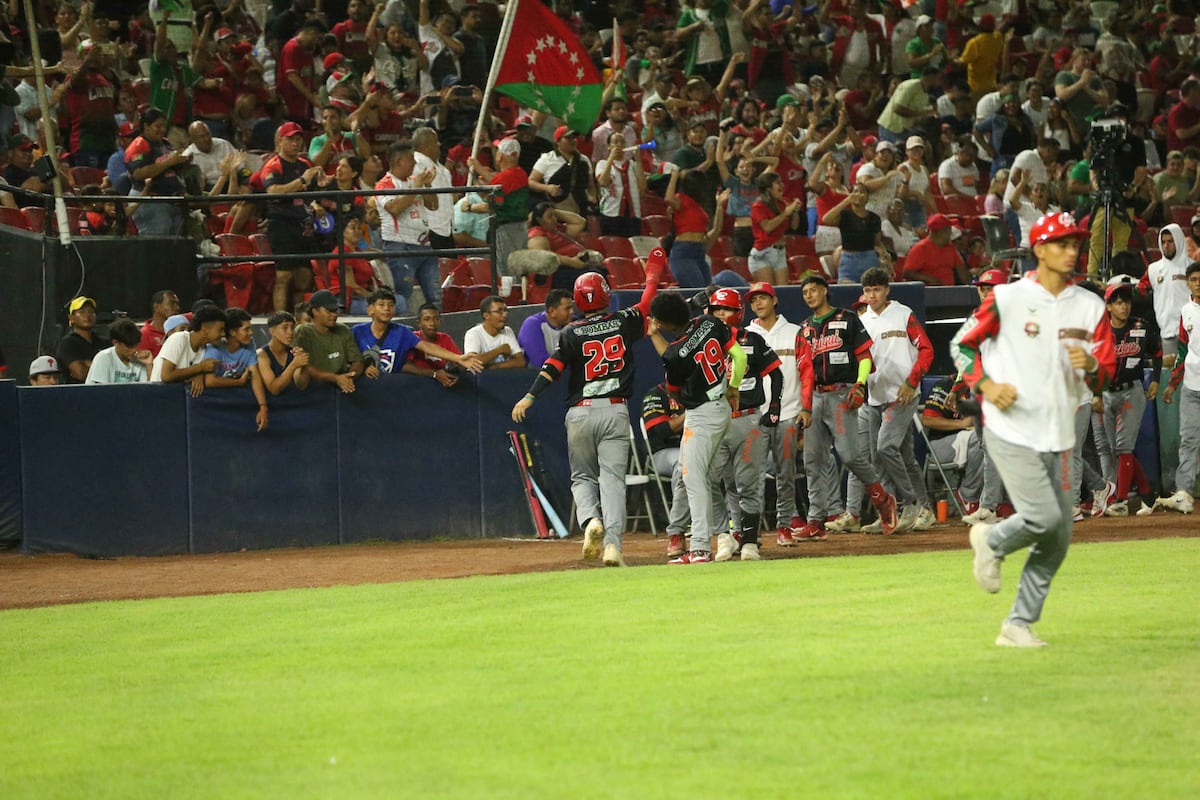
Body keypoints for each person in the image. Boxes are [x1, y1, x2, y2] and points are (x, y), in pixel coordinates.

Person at [953, 211, 1115, 647]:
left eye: (1075, 243)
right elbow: (960, 344)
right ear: (1039, 250)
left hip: (1061, 432)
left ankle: (1017, 625)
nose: (1071, 251)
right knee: (1044, 518)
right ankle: (992, 540)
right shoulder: (1006, 298)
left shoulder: (1091, 306)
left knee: (1059, 537)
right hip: (1011, 429)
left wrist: (1095, 367)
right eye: (1061, 243)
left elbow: (1105, 376)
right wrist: (985, 384)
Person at [511, 249, 666, 566]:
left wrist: (529, 396)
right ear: (606, 296)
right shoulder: (623, 321)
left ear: (579, 301)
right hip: (615, 410)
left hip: (580, 411)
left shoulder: (570, 331)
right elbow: (648, 301)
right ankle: (613, 546)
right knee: (612, 480)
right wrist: (653, 272)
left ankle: (590, 522)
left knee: (582, 478)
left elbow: (551, 368)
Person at [645, 289, 745, 563]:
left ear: (664, 323)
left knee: (693, 477)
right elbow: (741, 357)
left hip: (701, 413)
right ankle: (717, 537)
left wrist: (654, 334)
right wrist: (733, 387)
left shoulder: (675, 353)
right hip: (722, 405)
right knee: (703, 477)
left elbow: (674, 386)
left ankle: (700, 547)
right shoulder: (710, 323)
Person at [796, 275, 900, 539]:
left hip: (842, 393)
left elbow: (865, 356)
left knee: (851, 455)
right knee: (812, 461)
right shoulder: (805, 328)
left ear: (825, 291)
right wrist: (805, 406)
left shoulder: (847, 318)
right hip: (816, 397)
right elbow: (805, 373)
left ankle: (882, 500)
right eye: (805, 292)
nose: (809, 295)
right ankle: (815, 520)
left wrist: (860, 384)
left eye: (814, 290)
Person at [839, 268, 935, 533]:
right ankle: (896, 513)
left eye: (877, 290)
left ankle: (910, 502)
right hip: (874, 396)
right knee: (893, 456)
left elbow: (926, 350)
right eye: (868, 290)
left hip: (903, 395)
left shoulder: (903, 314)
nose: (872, 295)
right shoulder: (862, 320)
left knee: (885, 448)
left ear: (887, 290)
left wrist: (911, 382)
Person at [705, 288, 782, 562]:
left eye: (726, 310)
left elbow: (777, 374)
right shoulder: (703, 341)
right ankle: (724, 537)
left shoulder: (753, 340)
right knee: (711, 480)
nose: (721, 315)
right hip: (715, 419)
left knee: (748, 485)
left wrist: (774, 407)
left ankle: (750, 542)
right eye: (716, 310)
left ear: (738, 312)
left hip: (748, 418)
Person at [745, 281, 806, 544]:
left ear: (775, 300)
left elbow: (806, 372)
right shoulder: (744, 334)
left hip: (789, 411)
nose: (758, 303)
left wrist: (806, 407)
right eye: (753, 300)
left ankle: (784, 526)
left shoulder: (795, 332)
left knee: (786, 474)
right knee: (752, 477)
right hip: (754, 415)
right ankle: (752, 531)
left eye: (763, 298)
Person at [1094, 282, 1159, 517]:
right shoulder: (1100, 332)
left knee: (1123, 447)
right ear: (1109, 306)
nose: (1124, 306)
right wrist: (1095, 394)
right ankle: (1147, 494)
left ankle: (1120, 500)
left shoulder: (1140, 326)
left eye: (1127, 301)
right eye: (1119, 302)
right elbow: (1094, 367)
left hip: (1132, 391)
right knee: (1120, 450)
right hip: (1109, 393)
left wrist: (1155, 380)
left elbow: (1157, 352)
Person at [1139, 224, 1192, 495]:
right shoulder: (1153, 270)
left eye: (1172, 241)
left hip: (1193, 338)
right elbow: (1138, 292)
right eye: (1165, 241)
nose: (1168, 245)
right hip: (1166, 340)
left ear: (1180, 241)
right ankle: (1171, 485)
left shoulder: (1193, 268)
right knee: (1171, 420)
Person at [262, 121, 327, 311]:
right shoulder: (273, 165)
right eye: (291, 139)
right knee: (283, 276)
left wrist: (316, 203)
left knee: (303, 277)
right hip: (281, 225)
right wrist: (301, 180)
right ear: (281, 140)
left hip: (303, 226)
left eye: (298, 139)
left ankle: (300, 320)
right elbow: (272, 191)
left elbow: (311, 194)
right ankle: (280, 318)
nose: (296, 143)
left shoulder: (305, 164)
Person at [353, 287, 481, 377]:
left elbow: (426, 346)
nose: (387, 308)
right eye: (381, 305)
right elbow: (347, 362)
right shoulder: (357, 332)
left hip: (392, 390)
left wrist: (458, 358)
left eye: (391, 305)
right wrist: (362, 369)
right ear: (370, 310)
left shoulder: (402, 332)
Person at [372, 140, 438, 313]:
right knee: (403, 296)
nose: (415, 163)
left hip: (425, 246)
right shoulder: (383, 184)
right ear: (399, 161)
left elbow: (433, 205)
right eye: (411, 159)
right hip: (400, 247)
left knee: (436, 296)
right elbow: (394, 208)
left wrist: (427, 185)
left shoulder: (415, 181)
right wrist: (416, 187)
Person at [1158, 262, 1200, 514]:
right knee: (1188, 440)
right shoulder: (1186, 311)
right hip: (1192, 386)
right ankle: (1183, 492)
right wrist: (1173, 384)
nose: (1198, 283)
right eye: (1193, 279)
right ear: (1187, 283)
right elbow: (1183, 350)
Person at [642, 381, 692, 559]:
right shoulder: (656, 394)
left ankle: (736, 530)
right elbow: (659, 431)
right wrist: (691, 413)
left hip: (698, 447)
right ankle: (677, 531)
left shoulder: (698, 390)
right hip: (664, 453)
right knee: (683, 465)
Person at [469, 138, 530, 278]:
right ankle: (521, 296)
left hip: (506, 229)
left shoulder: (502, 178)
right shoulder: (521, 173)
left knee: (506, 270)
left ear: (500, 156)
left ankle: (510, 299)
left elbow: (489, 205)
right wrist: (478, 173)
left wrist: (471, 207)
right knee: (519, 268)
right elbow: (498, 182)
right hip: (521, 228)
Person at [203, 308, 270, 432]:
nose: (251, 333)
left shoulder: (249, 345)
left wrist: (263, 406)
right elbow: (210, 381)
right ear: (233, 332)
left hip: (238, 406)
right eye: (246, 329)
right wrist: (239, 382)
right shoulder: (214, 348)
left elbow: (254, 374)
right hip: (214, 408)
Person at [294, 289, 365, 394]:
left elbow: (357, 362)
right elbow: (305, 367)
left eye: (335, 310)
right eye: (329, 311)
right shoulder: (303, 332)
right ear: (315, 311)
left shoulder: (343, 330)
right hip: (313, 392)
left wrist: (349, 377)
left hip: (342, 390)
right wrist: (336, 378)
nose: (334, 315)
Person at [151, 305, 229, 398]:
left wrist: (198, 374)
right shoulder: (179, 338)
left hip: (175, 399)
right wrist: (200, 368)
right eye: (220, 330)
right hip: (156, 396)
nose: (223, 334)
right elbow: (166, 376)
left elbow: (190, 373)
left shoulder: (204, 349)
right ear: (205, 330)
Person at [524, 202, 605, 291]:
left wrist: (553, 211)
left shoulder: (558, 229)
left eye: (555, 216)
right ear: (539, 219)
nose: (554, 219)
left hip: (574, 266)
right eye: (550, 217)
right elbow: (543, 255)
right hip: (557, 272)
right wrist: (571, 262)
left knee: (604, 272)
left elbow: (580, 222)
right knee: (594, 276)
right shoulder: (537, 234)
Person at [822, 184, 888, 283]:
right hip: (848, 259)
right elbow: (826, 219)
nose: (858, 194)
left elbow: (877, 242)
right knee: (846, 291)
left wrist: (885, 255)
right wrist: (846, 201)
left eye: (862, 192)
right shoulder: (845, 215)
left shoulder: (874, 218)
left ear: (867, 197)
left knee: (871, 290)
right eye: (855, 191)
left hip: (869, 258)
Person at [749, 171, 802, 284]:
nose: (782, 185)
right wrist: (785, 214)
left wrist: (795, 212)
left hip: (780, 252)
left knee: (782, 293)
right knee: (769, 293)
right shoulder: (758, 206)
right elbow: (767, 227)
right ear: (768, 189)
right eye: (778, 183)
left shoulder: (782, 203)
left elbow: (794, 226)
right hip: (763, 253)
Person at [903, 214, 971, 286]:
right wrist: (930, 279)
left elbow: (964, 276)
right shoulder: (921, 248)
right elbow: (907, 273)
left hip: (950, 292)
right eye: (949, 230)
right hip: (929, 293)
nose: (950, 233)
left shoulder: (950, 248)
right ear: (941, 232)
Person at [406, 304, 464, 386]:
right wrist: (434, 374)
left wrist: (457, 374)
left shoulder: (445, 338)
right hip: (417, 384)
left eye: (436, 319)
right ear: (419, 323)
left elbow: (459, 361)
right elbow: (406, 366)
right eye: (427, 319)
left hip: (441, 384)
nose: (432, 323)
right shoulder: (413, 338)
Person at [256, 310, 312, 395]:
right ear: (272, 331)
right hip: (272, 405)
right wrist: (293, 365)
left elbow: (301, 385)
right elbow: (274, 389)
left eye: (292, 328)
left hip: (293, 403)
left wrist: (303, 365)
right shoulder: (262, 355)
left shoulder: (294, 353)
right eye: (285, 328)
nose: (290, 332)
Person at [517, 289, 575, 371]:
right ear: (552, 311)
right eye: (567, 309)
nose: (572, 312)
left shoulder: (574, 323)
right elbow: (541, 361)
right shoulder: (532, 325)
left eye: (572, 307)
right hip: (534, 378)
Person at [464, 296, 526, 370]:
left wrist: (496, 367)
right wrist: (500, 350)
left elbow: (520, 362)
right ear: (486, 315)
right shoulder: (473, 334)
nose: (505, 315)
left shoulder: (508, 331)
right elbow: (472, 362)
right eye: (499, 311)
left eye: (505, 310)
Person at [86, 318, 152, 384]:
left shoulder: (140, 360)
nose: (134, 350)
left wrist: (148, 364)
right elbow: (101, 391)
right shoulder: (103, 358)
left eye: (136, 345)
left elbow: (149, 389)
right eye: (129, 346)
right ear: (115, 342)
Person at [55, 297, 102, 385]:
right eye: (81, 312)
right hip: (77, 394)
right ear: (71, 317)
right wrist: (102, 366)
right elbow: (80, 373)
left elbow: (115, 370)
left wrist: (88, 363)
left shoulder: (103, 342)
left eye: (91, 311)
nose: (87, 315)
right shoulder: (67, 343)